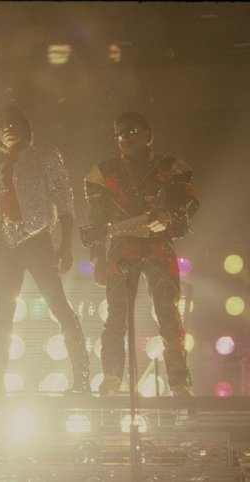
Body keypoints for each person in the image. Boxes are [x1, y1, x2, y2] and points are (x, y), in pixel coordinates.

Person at [84, 111, 199, 397]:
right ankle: (112, 377)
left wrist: (169, 214)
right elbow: (96, 220)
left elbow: (189, 201)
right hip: (123, 247)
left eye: (132, 131)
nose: (126, 137)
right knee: (116, 314)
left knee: (169, 313)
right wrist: (97, 258)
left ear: (149, 135)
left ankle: (179, 382)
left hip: (159, 244)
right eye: (120, 133)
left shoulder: (169, 167)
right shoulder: (103, 172)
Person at [0, 104, 90, 396]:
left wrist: (65, 244)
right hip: (6, 247)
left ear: (25, 127)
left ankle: (82, 378)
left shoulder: (45, 157)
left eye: (13, 122)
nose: (8, 128)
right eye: (2, 125)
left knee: (59, 306)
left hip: (38, 239)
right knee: (2, 314)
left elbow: (64, 199)